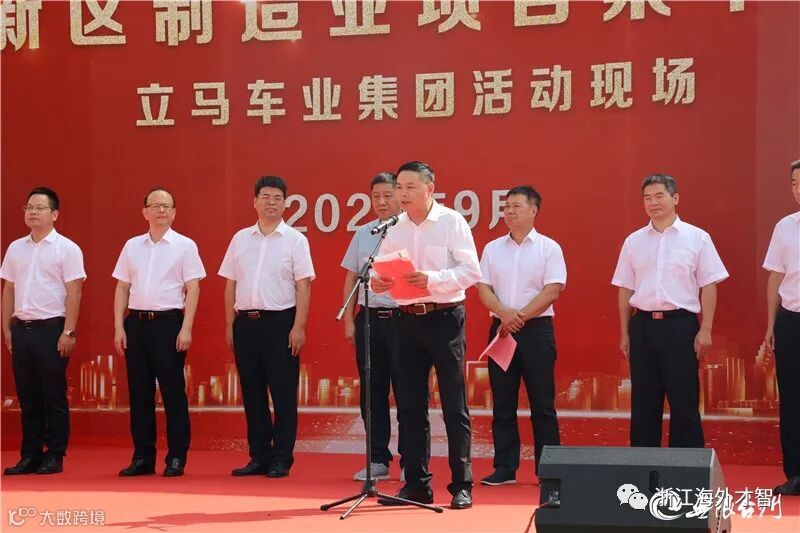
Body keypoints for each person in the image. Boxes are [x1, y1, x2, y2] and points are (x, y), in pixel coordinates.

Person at [372, 161, 481, 510]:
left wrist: (432, 279)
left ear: (430, 188)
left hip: (444, 318)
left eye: (410, 187)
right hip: (405, 321)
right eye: (399, 187)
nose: (402, 194)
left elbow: (471, 272)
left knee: (453, 405)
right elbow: (381, 270)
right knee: (410, 406)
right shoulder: (395, 227)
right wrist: (378, 282)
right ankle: (417, 484)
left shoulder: (451, 221)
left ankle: (461, 484)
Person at [612, 174, 728, 448]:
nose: (653, 203)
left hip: (680, 326)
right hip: (643, 326)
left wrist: (706, 329)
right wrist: (625, 333)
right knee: (644, 401)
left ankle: (686, 467)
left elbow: (709, 285)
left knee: (684, 399)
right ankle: (644, 467)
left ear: (675, 198)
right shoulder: (634, 241)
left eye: (659, 196)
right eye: (647, 198)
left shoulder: (697, 238)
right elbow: (625, 289)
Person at [220, 176, 314, 479]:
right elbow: (230, 284)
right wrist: (230, 325)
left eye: (277, 197)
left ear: (285, 203)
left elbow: (303, 286)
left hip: (280, 324)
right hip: (245, 324)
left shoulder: (295, 240)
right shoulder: (240, 239)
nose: (271, 202)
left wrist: (298, 327)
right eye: (265, 197)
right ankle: (258, 456)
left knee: (283, 394)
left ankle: (281, 458)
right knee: (252, 393)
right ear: (255, 201)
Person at [113, 188, 206, 477]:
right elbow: (122, 287)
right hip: (136, 324)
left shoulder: (185, 246)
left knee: (172, 392)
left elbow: (193, 288)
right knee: (139, 393)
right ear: (145, 212)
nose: (161, 210)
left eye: (166, 206)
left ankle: (176, 457)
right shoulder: (132, 246)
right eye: (155, 205)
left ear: (174, 213)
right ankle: (142, 457)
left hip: (168, 324)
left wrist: (186, 327)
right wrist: (119, 326)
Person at [476, 185, 564, 485]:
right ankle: (505, 467)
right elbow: (483, 288)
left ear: (533, 211)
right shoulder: (492, 248)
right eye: (507, 207)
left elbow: (552, 290)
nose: (509, 212)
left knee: (542, 405)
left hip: (536, 332)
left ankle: (549, 470)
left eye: (516, 206)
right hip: (502, 331)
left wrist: (519, 317)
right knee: (503, 404)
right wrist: (504, 314)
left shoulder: (549, 248)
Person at [1, 187, 85, 475]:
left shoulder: (67, 249)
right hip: (21, 329)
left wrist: (69, 331)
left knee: (53, 395)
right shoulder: (16, 248)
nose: (33, 212)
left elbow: (75, 291)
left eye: (39, 208)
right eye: (29, 207)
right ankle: (30, 454)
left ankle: (55, 454)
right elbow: (8, 289)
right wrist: (7, 329)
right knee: (28, 395)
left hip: (52, 329)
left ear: (55, 214)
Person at [341, 171, 405, 481]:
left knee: (408, 391)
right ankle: (378, 458)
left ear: (400, 196)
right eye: (375, 196)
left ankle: (411, 461)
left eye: (387, 195)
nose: (381, 202)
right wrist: (348, 321)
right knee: (372, 392)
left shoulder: (412, 231)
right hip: (369, 319)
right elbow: (351, 277)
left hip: (404, 320)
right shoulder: (364, 232)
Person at [763, 159, 800, 496]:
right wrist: (771, 325)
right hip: (791, 321)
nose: (798, 189)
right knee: (792, 400)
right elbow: (775, 277)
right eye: (794, 183)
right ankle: (796, 474)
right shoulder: (785, 227)